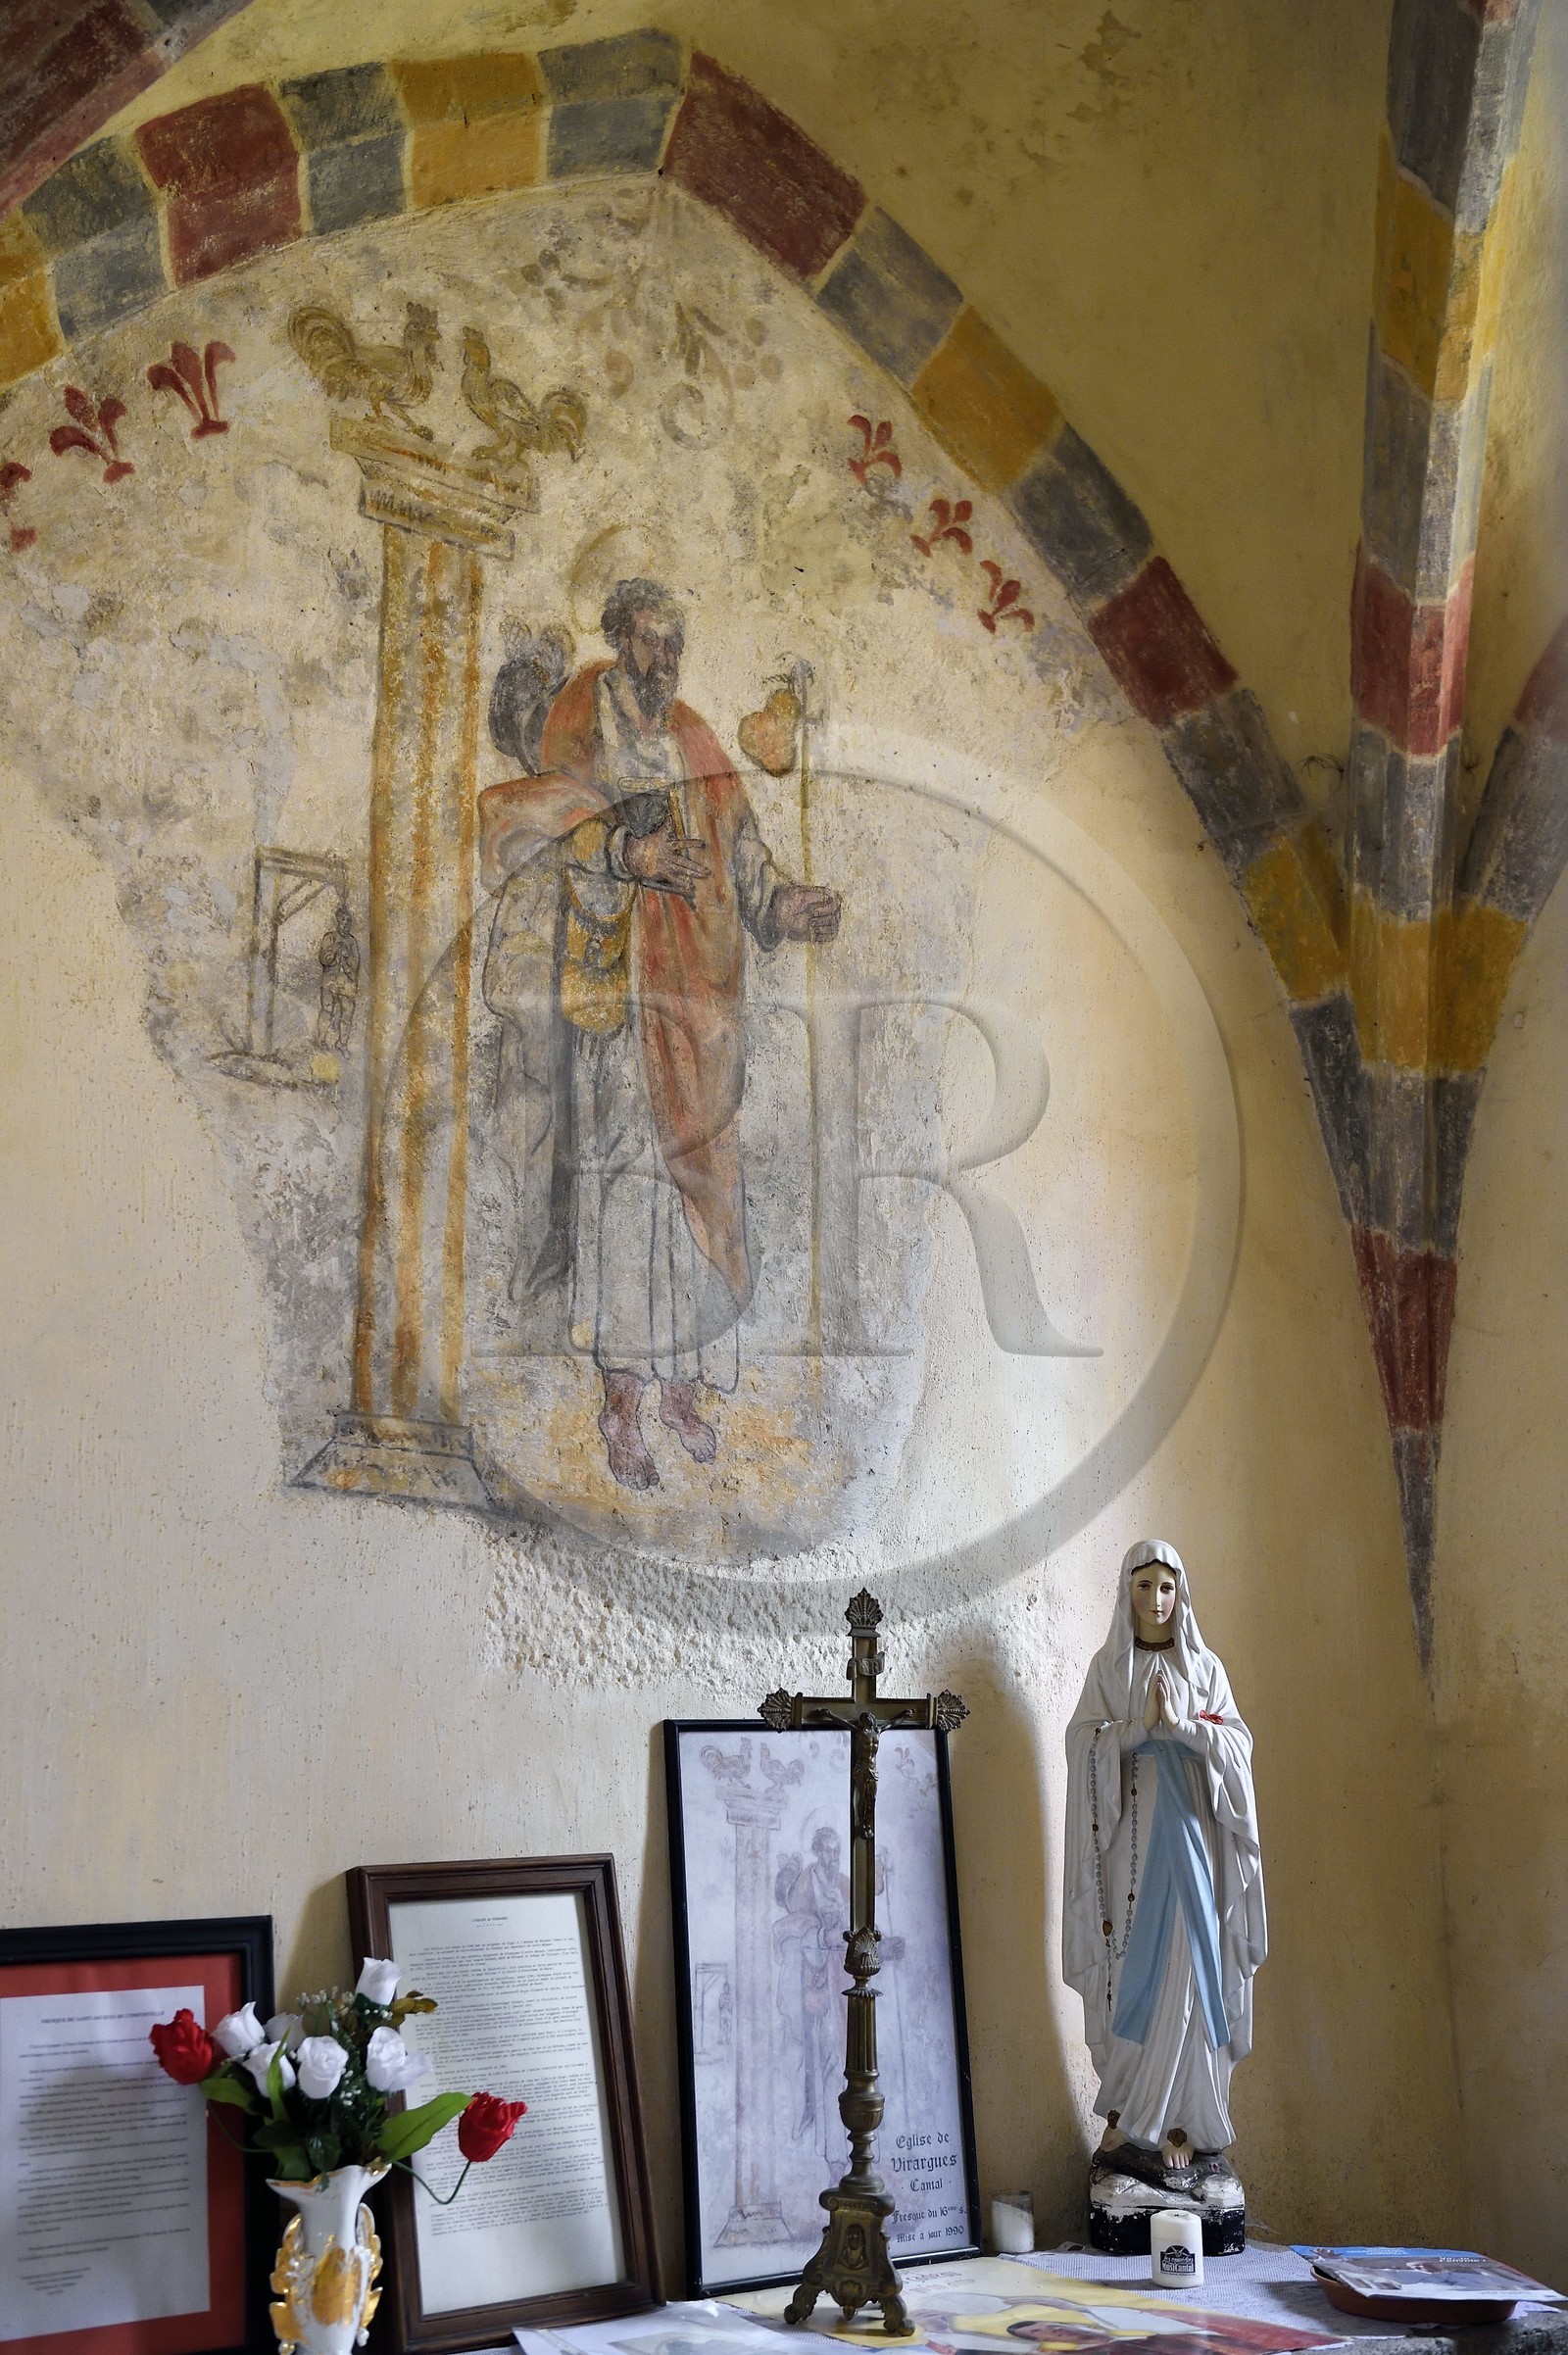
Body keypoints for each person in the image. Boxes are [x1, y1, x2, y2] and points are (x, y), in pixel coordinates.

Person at [478, 579, 841, 1491]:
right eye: (649, 640)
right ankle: (624, 1401)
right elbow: (538, 827)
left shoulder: (697, 739)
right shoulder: (580, 722)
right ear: (617, 640)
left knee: (704, 1196)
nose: (665, 658)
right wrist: (626, 855)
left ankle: (684, 1384)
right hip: (622, 998)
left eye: (676, 642)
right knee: (633, 1200)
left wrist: (785, 903)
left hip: (700, 1006)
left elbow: (744, 858)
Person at [1062, 1539, 1266, 2190]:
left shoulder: (1206, 1667)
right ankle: (1130, 2115)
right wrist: (1136, 1730)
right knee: (1133, 1963)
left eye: (1167, 1587)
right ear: (1127, 1591)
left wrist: (1186, 1727)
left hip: (1193, 1843)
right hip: (1132, 1852)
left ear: (1182, 1594)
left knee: (1193, 1960)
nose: (1157, 1599)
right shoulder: (1109, 1668)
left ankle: (1187, 2123)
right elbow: (1082, 1747)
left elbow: (1237, 1743)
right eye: (1145, 1585)